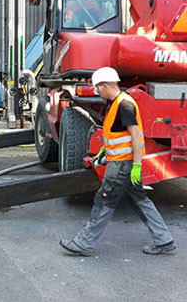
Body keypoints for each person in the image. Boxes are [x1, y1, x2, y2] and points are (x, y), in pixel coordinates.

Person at [60, 67, 176, 257]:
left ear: (106, 86)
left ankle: (84, 243)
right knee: (140, 200)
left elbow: (136, 136)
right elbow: (117, 135)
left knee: (104, 199)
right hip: (122, 162)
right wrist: (103, 154)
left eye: (98, 88)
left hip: (123, 164)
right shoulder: (115, 104)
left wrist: (137, 165)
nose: (98, 92)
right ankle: (164, 239)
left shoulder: (124, 104)